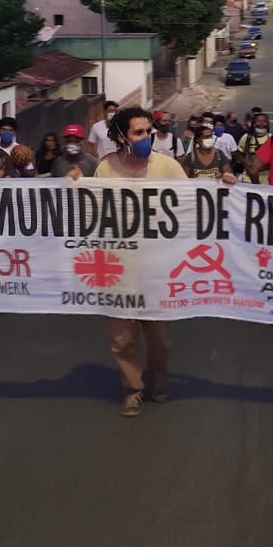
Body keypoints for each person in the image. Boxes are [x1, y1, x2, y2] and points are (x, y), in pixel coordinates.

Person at [93, 107, 186, 417]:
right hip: (117, 267)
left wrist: (223, 187)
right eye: (138, 133)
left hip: (157, 268)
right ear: (121, 137)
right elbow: (90, 213)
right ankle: (132, 389)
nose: (147, 137)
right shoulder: (105, 170)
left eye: (149, 131)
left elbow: (195, 202)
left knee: (157, 336)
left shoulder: (168, 167)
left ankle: (160, 379)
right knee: (122, 338)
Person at [239, 110, 272, 182]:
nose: (261, 123)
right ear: (253, 123)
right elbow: (239, 154)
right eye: (259, 121)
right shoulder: (246, 138)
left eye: (264, 121)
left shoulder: (271, 139)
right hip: (248, 179)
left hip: (266, 179)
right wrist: (247, 165)